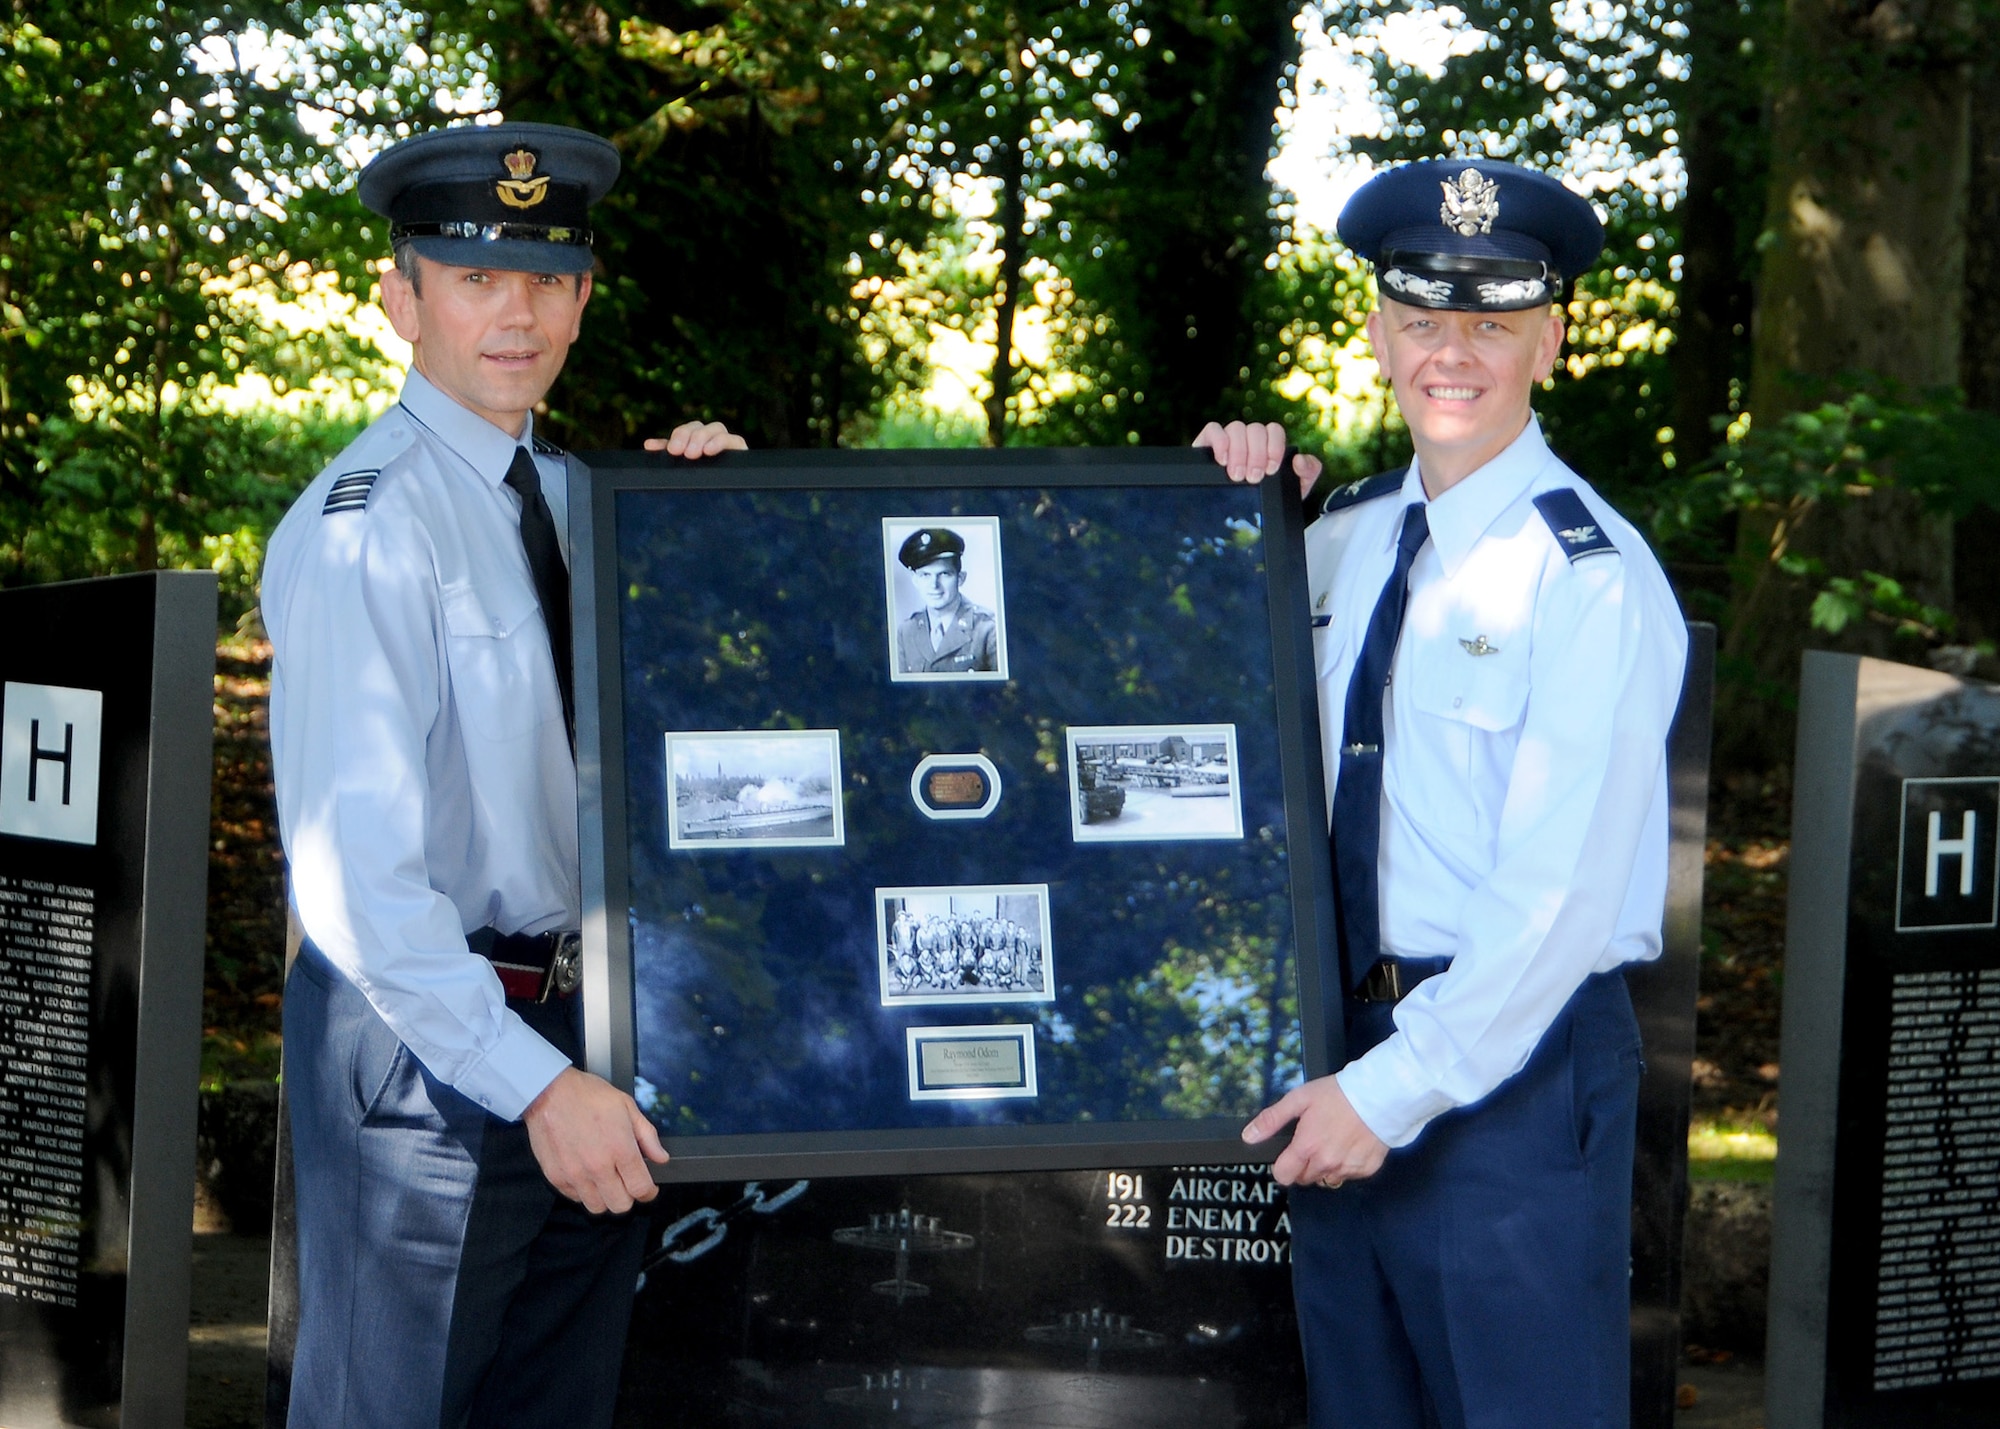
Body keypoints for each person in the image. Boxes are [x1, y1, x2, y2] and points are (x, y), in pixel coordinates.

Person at [261, 122, 743, 1428]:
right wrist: (536, 1086)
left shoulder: (595, 504)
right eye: (475, 277)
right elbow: (357, 886)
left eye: (545, 278)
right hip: (428, 1044)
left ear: (583, 298)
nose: (515, 311)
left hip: (590, 1041)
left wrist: (719, 533)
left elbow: (688, 758)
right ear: (399, 297)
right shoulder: (369, 526)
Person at [1197, 158, 1688, 1429]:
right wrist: (1204, 515)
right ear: (1375, 332)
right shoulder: (1332, 539)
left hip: (1505, 1084)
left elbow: (1560, 897)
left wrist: (1390, 1092)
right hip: (1341, 1057)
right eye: (1421, 318)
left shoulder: (1586, 575)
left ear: (1550, 341)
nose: (1450, 352)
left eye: (1490, 322)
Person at [894, 526, 999, 673]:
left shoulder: (988, 629)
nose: (934, 585)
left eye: (944, 574)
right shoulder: (906, 632)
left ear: (960, 578)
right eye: (925, 575)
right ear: (915, 580)